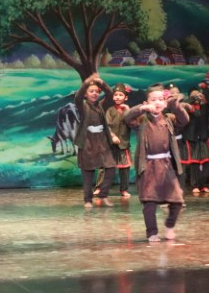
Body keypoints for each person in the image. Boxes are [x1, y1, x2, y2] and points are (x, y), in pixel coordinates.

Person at [124, 83, 189, 242]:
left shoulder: (169, 119)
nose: (157, 102)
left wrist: (175, 105)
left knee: (177, 200)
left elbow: (184, 119)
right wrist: (142, 109)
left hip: (166, 165)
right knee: (149, 202)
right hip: (148, 166)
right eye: (153, 100)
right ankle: (152, 232)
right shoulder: (142, 120)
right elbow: (127, 118)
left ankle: (169, 225)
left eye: (160, 99)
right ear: (146, 103)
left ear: (165, 103)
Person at [74, 74, 116, 208]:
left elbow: (110, 95)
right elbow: (77, 97)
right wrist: (86, 83)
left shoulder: (101, 105)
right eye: (91, 91)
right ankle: (87, 199)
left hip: (102, 142)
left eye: (97, 91)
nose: (94, 93)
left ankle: (103, 195)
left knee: (111, 167)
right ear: (86, 94)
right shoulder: (83, 106)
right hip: (88, 142)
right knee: (88, 172)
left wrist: (102, 83)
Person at [181, 85, 209, 194]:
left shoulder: (204, 107)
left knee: (208, 161)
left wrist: (205, 89)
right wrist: (192, 100)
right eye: (194, 95)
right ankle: (195, 185)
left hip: (203, 137)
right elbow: (182, 107)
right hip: (192, 137)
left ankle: (204, 184)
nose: (196, 97)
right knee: (194, 163)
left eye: (198, 94)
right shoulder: (186, 107)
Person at [104, 83, 133, 198]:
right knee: (106, 167)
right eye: (115, 95)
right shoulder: (110, 111)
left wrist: (128, 111)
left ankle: (124, 189)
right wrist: (112, 136)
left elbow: (133, 123)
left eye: (120, 95)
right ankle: (101, 188)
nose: (117, 97)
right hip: (111, 144)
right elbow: (106, 126)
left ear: (126, 97)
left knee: (124, 168)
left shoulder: (128, 110)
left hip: (123, 143)